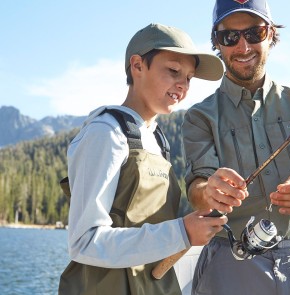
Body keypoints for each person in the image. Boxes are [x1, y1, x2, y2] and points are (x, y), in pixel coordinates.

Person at [182, 0, 290, 294]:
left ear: (270, 34)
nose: (243, 48)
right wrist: (209, 192)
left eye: (254, 33)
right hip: (229, 265)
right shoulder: (199, 117)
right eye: (230, 37)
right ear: (216, 42)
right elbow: (197, 188)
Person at [58, 23, 229, 295]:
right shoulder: (105, 133)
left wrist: (192, 224)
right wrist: (181, 232)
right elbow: (84, 241)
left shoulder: (157, 139)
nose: (182, 85)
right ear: (137, 66)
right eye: (173, 71)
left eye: (188, 77)